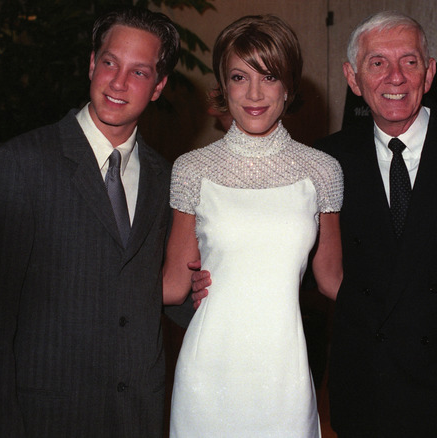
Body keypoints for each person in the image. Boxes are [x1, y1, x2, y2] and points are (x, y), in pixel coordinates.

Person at [0, 7, 193, 437]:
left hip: (136, 416)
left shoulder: (166, 178)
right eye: (109, 62)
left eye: (139, 72)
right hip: (45, 419)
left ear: (158, 86)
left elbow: (154, 290)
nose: (118, 83)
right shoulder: (22, 163)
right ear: (91, 63)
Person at [314, 11, 437, 436]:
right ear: (353, 78)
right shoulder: (327, 159)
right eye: (377, 62)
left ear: (430, 72)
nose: (396, 77)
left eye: (409, 61)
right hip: (367, 381)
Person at [162, 15, 343, 437]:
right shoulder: (191, 169)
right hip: (207, 372)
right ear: (223, 87)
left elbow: (332, 277)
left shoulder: (323, 171)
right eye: (240, 77)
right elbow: (173, 282)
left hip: (286, 374)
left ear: (289, 86)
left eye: (270, 76)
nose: (255, 93)